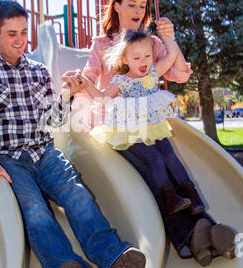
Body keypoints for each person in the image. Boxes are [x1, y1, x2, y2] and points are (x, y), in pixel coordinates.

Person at [0, 0, 146, 268]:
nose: (20, 40)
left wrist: (67, 95)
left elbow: (52, 122)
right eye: (11, 33)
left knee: (79, 198)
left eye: (24, 32)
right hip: (8, 159)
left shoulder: (37, 70)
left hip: (44, 152)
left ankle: (114, 261)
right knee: (36, 214)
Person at [64, 0, 236, 266]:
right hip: (119, 127)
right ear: (117, 6)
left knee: (168, 161)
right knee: (151, 167)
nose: (137, 10)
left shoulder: (151, 43)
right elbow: (93, 77)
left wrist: (170, 38)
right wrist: (79, 80)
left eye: (142, 6)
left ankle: (201, 232)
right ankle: (196, 232)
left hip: (148, 122)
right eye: (131, 4)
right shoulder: (102, 44)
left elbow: (179, 73)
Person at [73, 30, 205, 217]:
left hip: (153, 125)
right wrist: (86, 83)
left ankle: (193, 197)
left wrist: (168, 36)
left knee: (170, 157)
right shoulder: (122, 81)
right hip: (131, 130)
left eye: (147, 55)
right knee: (155, 158)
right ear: (125, 59)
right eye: (136, 57)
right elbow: (102, 97)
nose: (143, 61)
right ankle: (171, 199)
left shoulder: (153, 73)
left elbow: (173, 54)